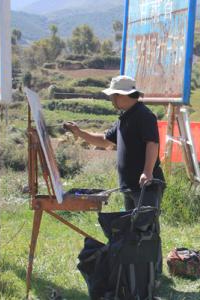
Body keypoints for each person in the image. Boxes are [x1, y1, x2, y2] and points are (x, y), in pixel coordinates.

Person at [64, 75, 165, 271]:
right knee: (133, 229)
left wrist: (147, 171)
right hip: (130, 186)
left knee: (148, 228)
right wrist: (80, 133)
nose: (111, 100)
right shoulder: (124, 117)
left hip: (146, 184)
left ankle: (154, 271)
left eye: (113, 96)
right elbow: (105, 141)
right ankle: (139, 269)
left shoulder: (144, 115)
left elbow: (152, 143)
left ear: (122, 95)